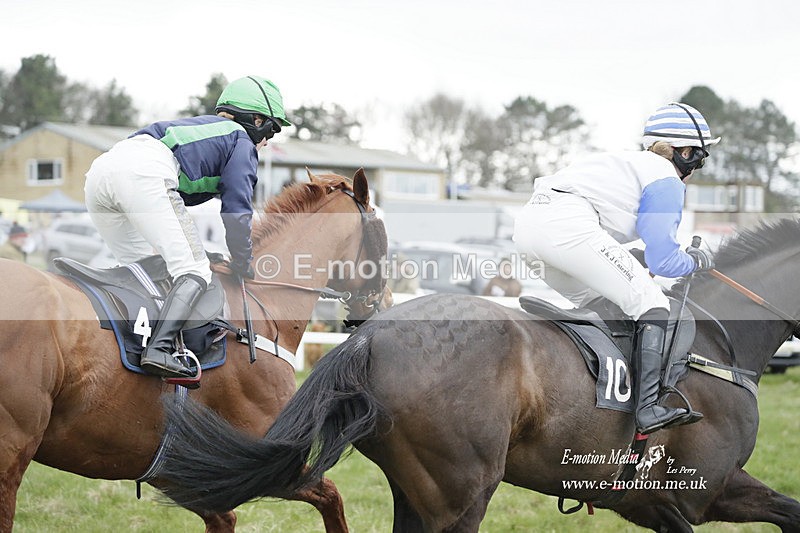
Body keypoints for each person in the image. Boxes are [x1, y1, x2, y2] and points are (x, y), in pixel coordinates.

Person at [513, 102, 719, 434]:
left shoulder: (629, 164)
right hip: (565, 226)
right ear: (684, 152)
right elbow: (663, 260)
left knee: (605, 304)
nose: (698, 166)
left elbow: (627, 245)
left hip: (527, 231)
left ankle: (599, 393)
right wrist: (695, 261)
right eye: (700, 157)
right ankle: (648, 407)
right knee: (652, 302)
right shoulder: (665, 178)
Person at [84, 76, 292, 378]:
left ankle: (132, 345)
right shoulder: (241, 141)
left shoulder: (201, 129)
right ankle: (158, 349)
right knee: (193, 270)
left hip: (100, 173)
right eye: (271, 130)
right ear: (257, 120)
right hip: (144, 172)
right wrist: (243, 260)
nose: (267, 141)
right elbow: (237, 208)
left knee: (147, 270)